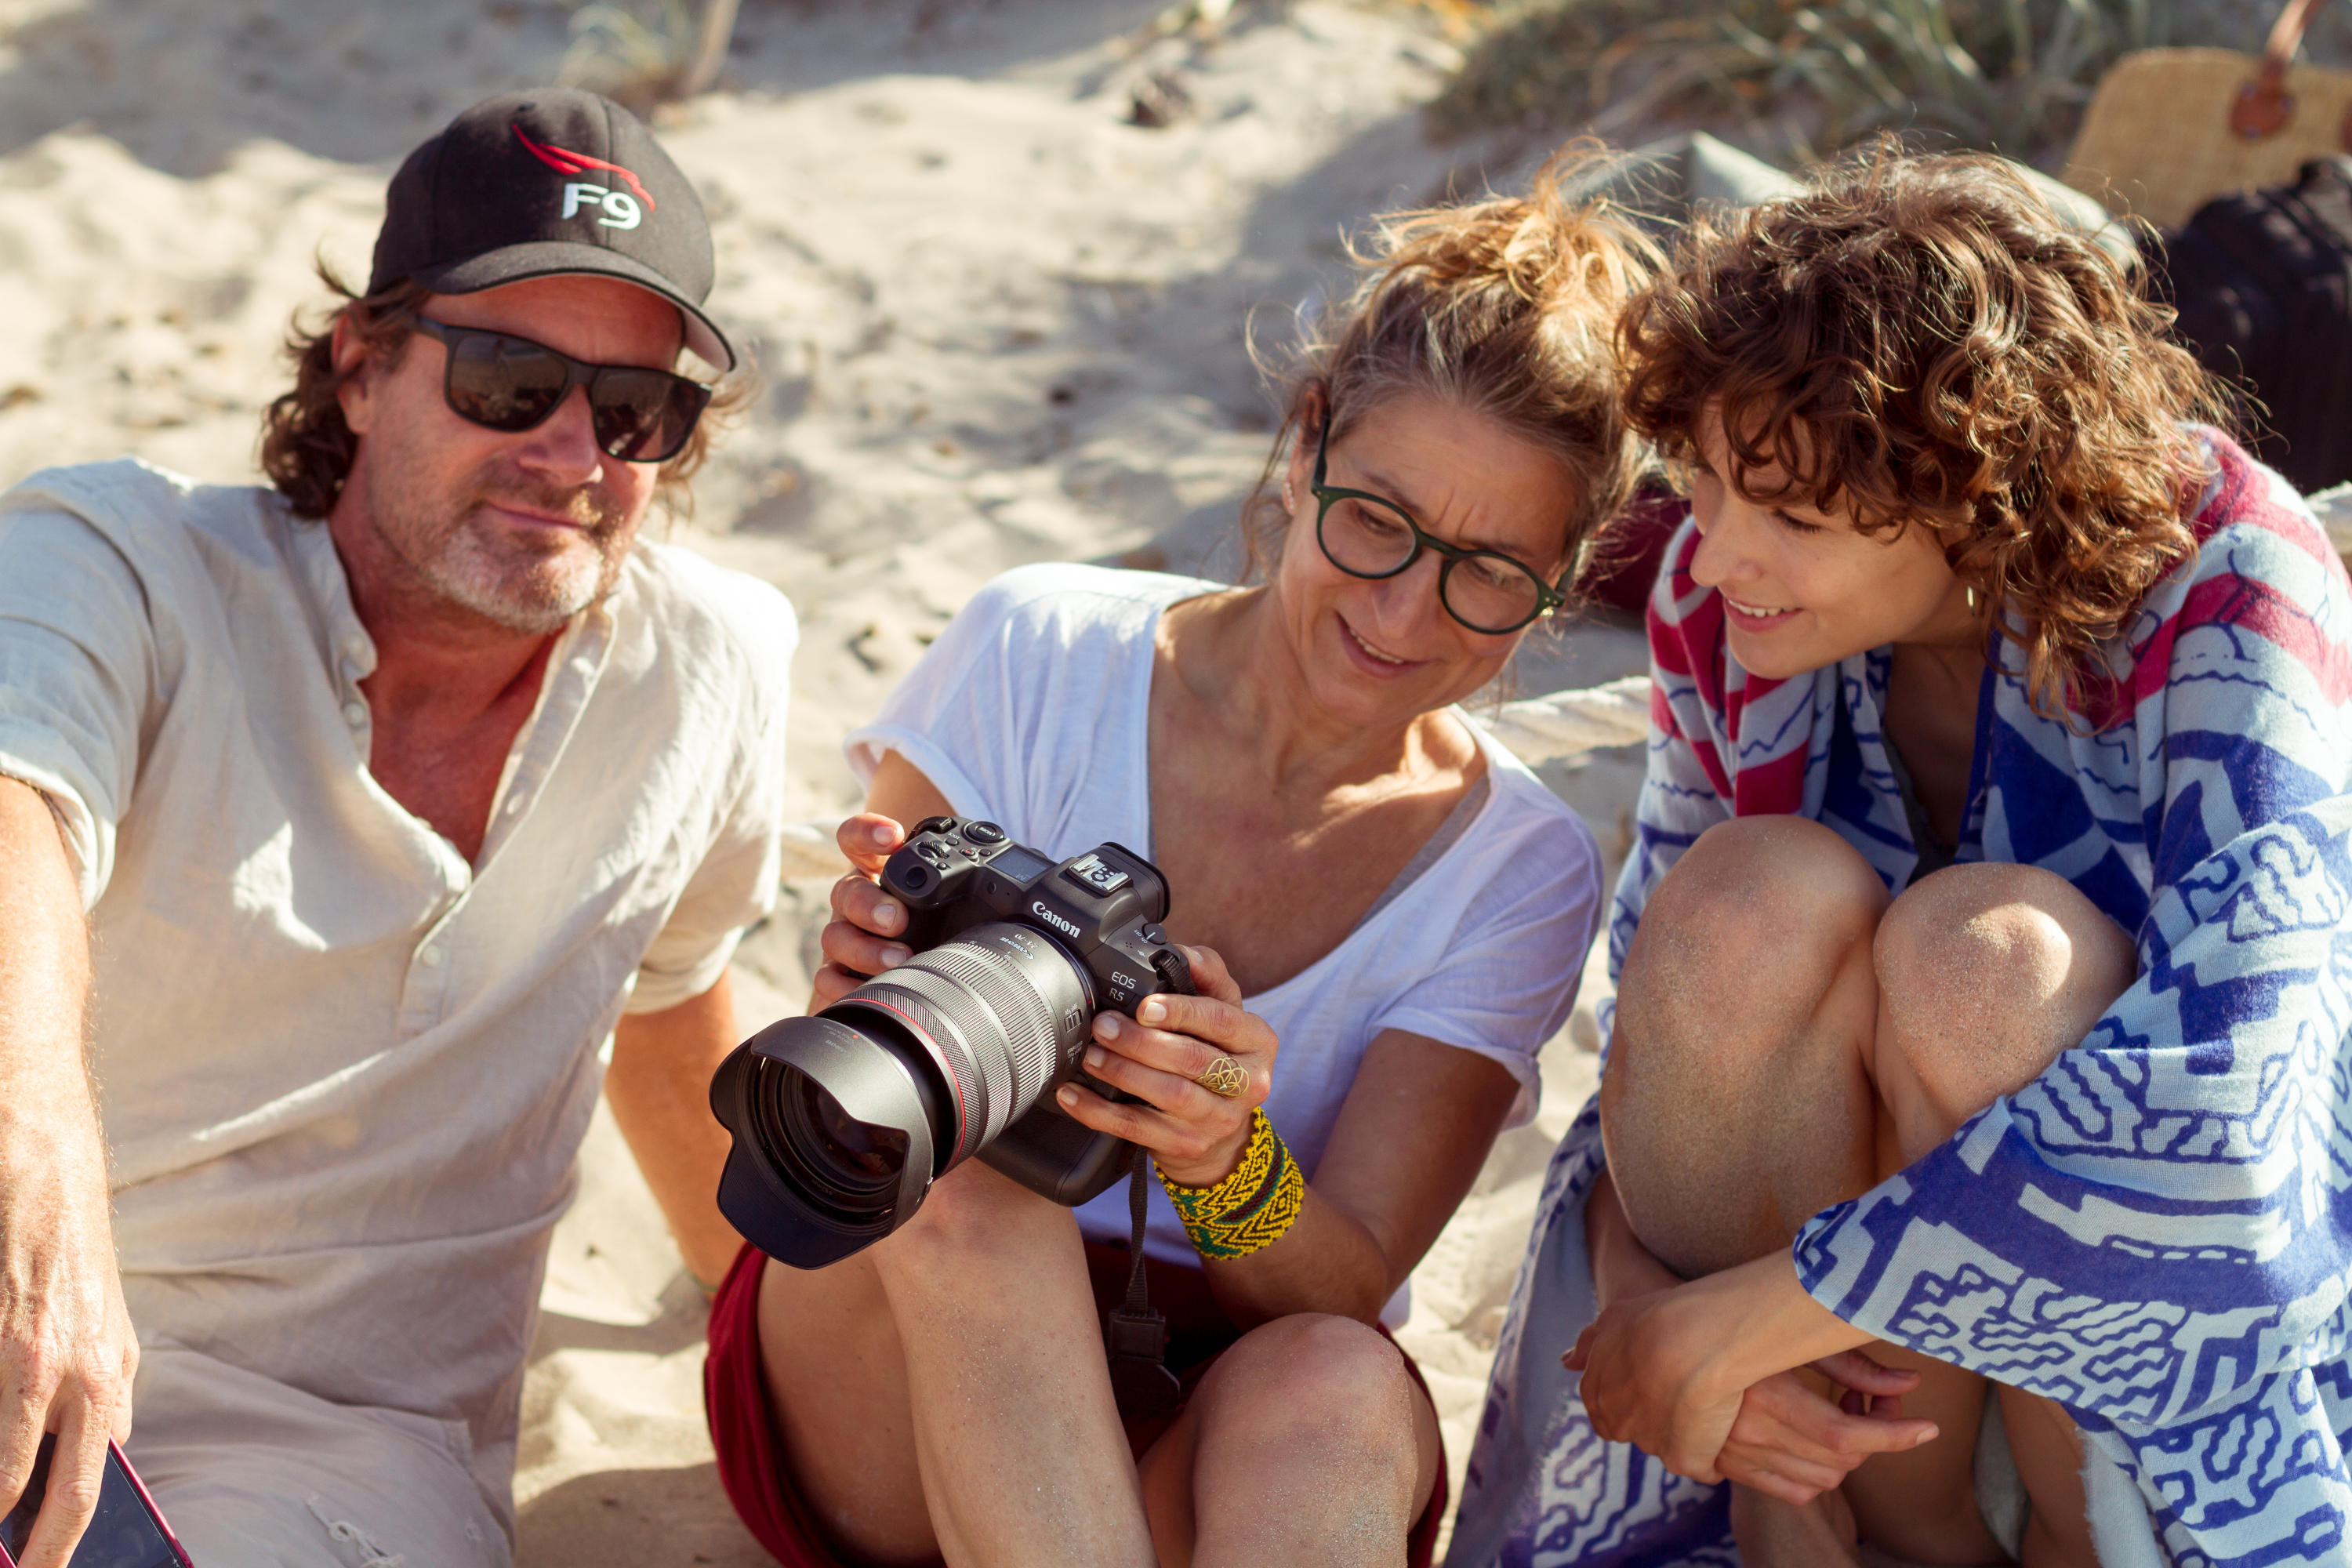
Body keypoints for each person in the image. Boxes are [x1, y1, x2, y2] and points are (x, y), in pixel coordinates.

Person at [699, 158, 1651, 1568]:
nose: (1404, 613)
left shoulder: (1518, 866)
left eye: (1491, 571)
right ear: (1306, 445)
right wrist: (864, 978)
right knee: (970, 1171)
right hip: (889, 1356)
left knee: (1338, 1386)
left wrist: (1222, 1153)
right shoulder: (1039, 650)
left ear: (1564, 582)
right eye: (1376, 521)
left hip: (1192, 1424)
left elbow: (1346, 1284)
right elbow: (848, 1108)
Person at [1446, 148, 2352, 1568]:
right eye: (1704, 483)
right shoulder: (1717, 598)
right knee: (1740, 905)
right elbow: (1663, 1046)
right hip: (1837, 1369)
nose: (1715, 557)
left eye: (1793, 518)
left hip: (2158, 1333)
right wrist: (1650, 1314)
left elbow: (2238, 1114)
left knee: (1987, 962)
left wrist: (1756, 1319)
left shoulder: (2228, 578)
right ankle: (1822, 1526)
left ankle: (2082, 1548)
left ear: (1980, 499)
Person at [0, 89, 791, 1566]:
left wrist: (751, 1310)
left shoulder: (710, 673)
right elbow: (14, 805)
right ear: (361, 368)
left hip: (331, 1448)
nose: (574, 453)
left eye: (637, 410)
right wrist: (30, 1170)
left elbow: (667, 994)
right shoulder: (121, 556)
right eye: (510, 379)